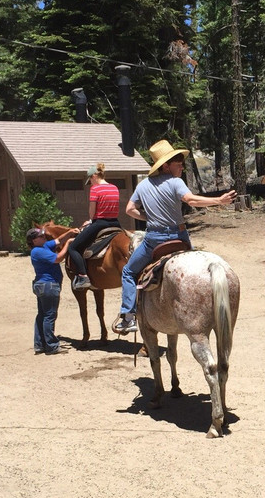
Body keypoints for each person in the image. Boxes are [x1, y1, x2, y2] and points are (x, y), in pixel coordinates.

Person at [112, 140, 237, 334]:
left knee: (128, 272)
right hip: (180, 237)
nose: (181, 165)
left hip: (154, 240)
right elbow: (190, 199)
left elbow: (129, 210)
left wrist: (147, 217)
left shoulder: (143, 186)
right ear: (165, 166)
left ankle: (128, 317)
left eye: (180, 161)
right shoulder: (176, 182)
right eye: (177, 162)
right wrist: (218, 200)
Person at [68, 162, 122, 291]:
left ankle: (83, 276)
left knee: (73, 248)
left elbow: (92, 211)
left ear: (94, 176)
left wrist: (91, 221)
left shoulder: (95, 189)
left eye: (90, 180)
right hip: (115, 222)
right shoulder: (114, 187)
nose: (90, 183)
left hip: (100, 223)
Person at [28, 225, 78, 355]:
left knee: (42, 315)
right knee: (49, 316)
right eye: (41, 236)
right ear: (34, 240)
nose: (44, 237)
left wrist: (69, 233)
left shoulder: (42, 246)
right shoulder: (38, 251)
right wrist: (68, 243)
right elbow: (58, 258)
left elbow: (57, 241)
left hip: (43, 285)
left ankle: (39, 345)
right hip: (49, 285)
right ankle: (51, 346)